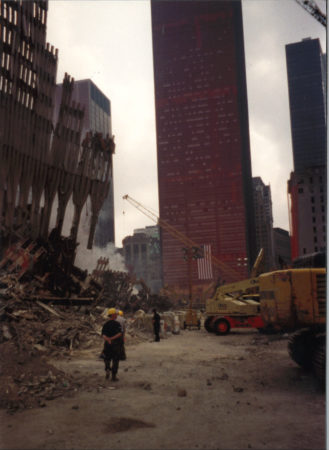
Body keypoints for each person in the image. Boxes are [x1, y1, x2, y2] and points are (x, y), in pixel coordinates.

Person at [101, 308, 123, 381]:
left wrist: (108, 339)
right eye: (116, 314)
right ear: (113, 315)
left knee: (107, 358)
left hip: (107, 344)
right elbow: (120, 334)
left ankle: (107, 369)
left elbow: (103, 334)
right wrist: (112, 339)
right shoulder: (117, 324)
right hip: (115, 344)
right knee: (115, 360)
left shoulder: (106, 324)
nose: (117, 315)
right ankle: (114, 376)